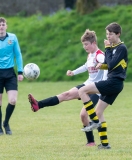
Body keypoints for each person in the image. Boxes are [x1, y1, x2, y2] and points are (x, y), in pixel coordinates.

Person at [28, 29, 107, 146]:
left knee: (84, 115)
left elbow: (106, 65)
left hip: (97, 90)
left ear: (94, 43)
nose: (84, 47)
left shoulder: (100, 55)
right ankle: (38, 105)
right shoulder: (90, 55)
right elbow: (86, 66)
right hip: (87, 85)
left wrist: (104, 82)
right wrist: (73, 72)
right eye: (83, 45)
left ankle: (94, 141)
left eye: (86, 44)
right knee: (66, 95)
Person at [78, 22, 128, 149]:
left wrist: (107, 49)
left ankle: (94, 121)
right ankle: (105, 145)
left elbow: (111, 64)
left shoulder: (121, 48)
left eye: (111, 34)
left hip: (113, 82)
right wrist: (102, 65)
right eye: (107, 34)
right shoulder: (114, 47)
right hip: (115, 83)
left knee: (82, 91)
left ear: (118, 34)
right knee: (98, 112)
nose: (108, 36)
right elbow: (109, 64)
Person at [0, 17, 24, 135]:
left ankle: (6, 123)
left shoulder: (13, 38)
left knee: (13, 100)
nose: (1, 26)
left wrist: (20, 72)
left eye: (3, 24)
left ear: (6, 26)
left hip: (10, 73)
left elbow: (18, 55)